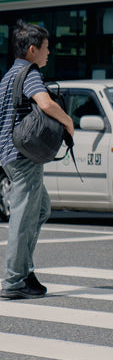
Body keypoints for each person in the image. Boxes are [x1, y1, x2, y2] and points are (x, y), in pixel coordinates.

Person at [0, 20, 74, 299]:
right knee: (23, 216)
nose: (48, 53)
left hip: (10, 154)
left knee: (40, 209)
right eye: (46, 48)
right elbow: (45, 103)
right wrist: (68, 122)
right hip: (23, 156)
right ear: (32, 50)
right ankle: (14, 281)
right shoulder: (29, 73)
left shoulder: (9, 75)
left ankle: (24, 271)